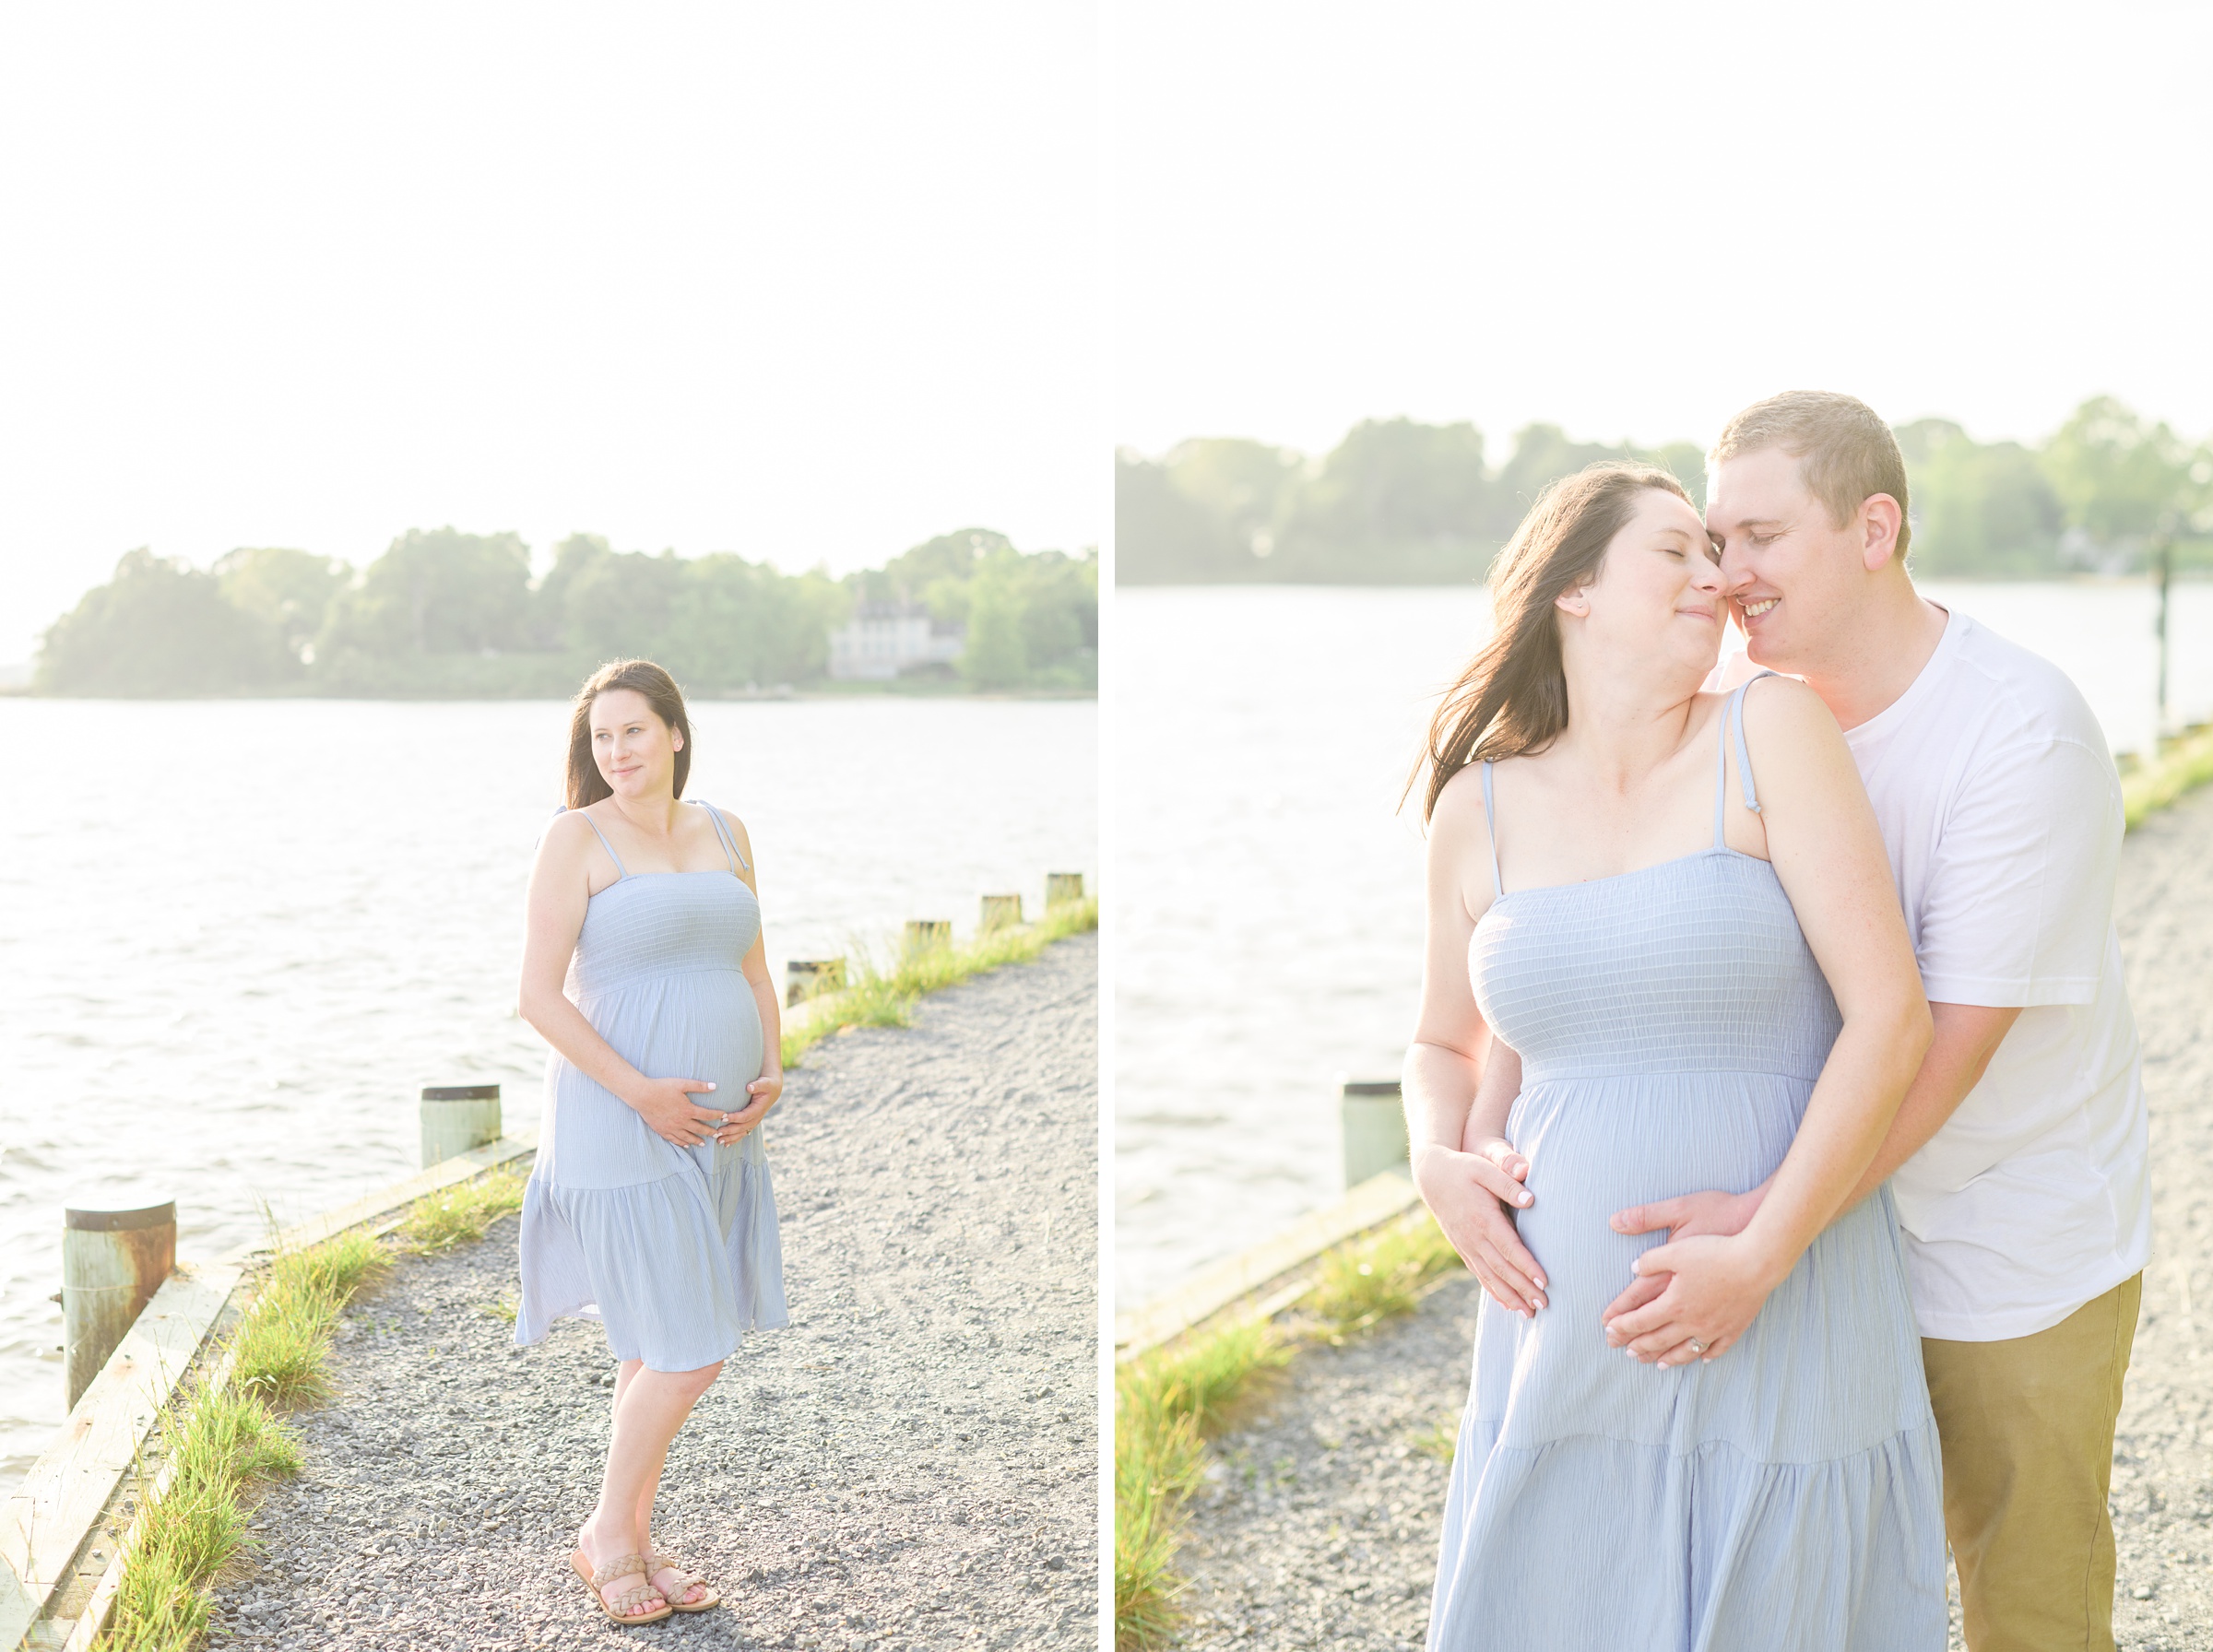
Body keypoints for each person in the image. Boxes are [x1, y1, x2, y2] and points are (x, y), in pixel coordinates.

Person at [1596, 393, 2149, 1652]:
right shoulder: (1738, 708)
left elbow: (1943, 1045)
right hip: (1814, 1233)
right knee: (1814, 1588)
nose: (1728, 576)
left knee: (2027, 1605)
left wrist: (1768, 1224)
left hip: (2004, 1245)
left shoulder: (2022, 735)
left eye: (1761, 537)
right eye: (1712, 540)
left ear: (1874, 528)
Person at [1404, 462, 1947, 1648]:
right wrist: (1433, 1162)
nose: (1719, 576)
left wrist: (1757, 1252)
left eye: (1720, 552)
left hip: (1784, 1298)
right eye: (1678, 551)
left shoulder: (1770, 726)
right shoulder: (1478, 809)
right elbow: (1444, 1041)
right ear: (1576, 589)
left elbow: (1891, 1017)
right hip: (1564, 1351)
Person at [514, 657, 787, 1627]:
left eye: (634, 730)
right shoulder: (576, 838)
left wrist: (774, 1065)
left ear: (676, 732)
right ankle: (606, 1535)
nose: (617, 751)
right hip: (616, 1123)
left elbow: (751, 966)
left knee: (652, 1348)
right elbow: (538, 996)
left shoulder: (726, 830)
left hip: (718, 1133)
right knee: (687, 1351)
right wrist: (641, 1094)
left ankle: (632, 1533)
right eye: (601, 737)